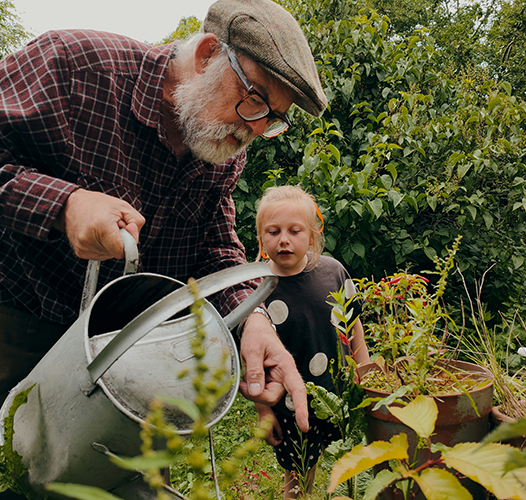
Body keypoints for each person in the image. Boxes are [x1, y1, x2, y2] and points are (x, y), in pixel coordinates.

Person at [0, 0, 327, 435]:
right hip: (16, 321)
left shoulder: (222, 148)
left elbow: (213, 245)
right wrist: (64, 205)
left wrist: (253, 319)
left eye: (272, 119)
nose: (253, 129)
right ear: (208, 55)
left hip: (127, 353)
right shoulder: (74, 67)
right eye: (254, 101)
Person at [252, 186, 370, 499]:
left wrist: (366, 367)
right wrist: (263, 410)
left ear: (313, 235)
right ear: (261, 239)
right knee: (300, 470)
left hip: (339, 392)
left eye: (295, 230)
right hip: (288, 404)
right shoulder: (256, 287)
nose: (284, 240)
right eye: (273, 231)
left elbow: (353, 322)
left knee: (349, 463)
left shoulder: (332, 272)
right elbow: (250, 358)